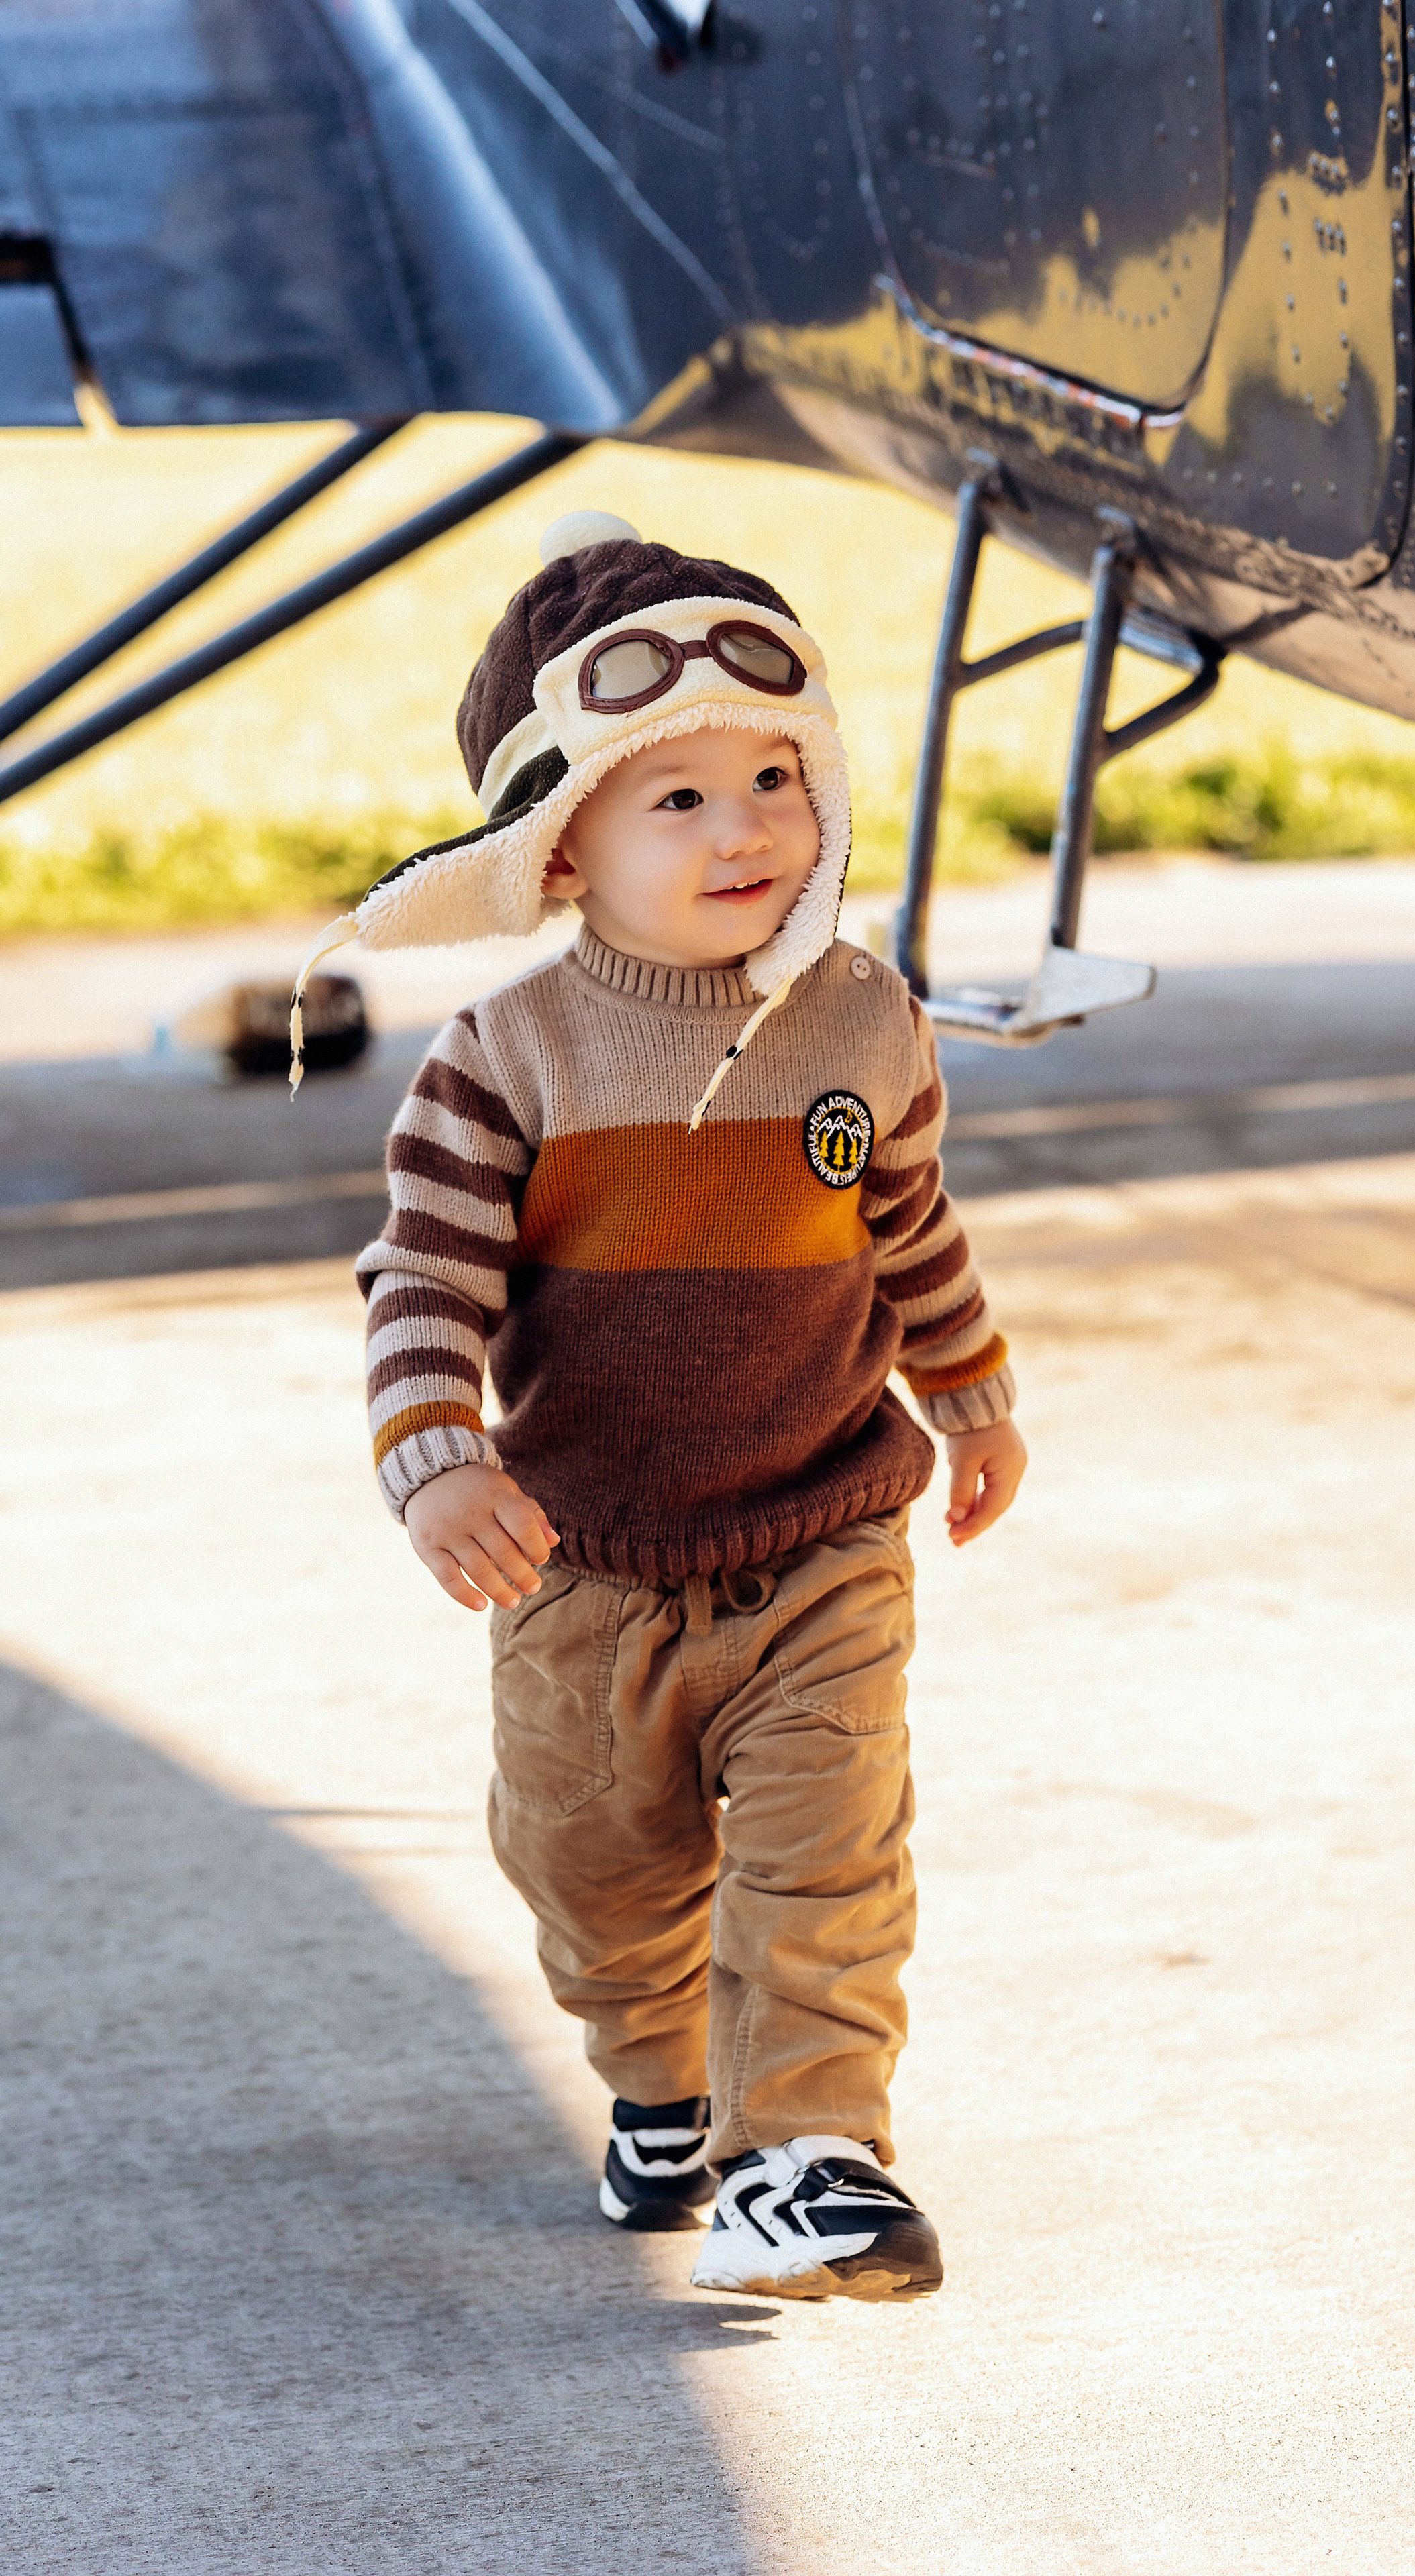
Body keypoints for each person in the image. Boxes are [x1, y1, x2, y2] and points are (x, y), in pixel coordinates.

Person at [346, 511, 1026, 2303]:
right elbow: (421, 1281)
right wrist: (437, 1459)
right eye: (681, 798)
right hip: (585, 1568)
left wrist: (972, 1392)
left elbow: (909, 1225)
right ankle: (661, 2085)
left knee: (827, 1860)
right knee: (594, 1871)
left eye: (777, 777)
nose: (748, 831)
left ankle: (807, 2154)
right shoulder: (506, 1061)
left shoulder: (862, 1021)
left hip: (823, 1536)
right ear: (563, 843)